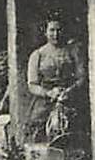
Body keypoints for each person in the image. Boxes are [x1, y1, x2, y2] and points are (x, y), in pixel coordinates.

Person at [25, 16, 86, 148]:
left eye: (59, 30)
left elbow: (81, 77)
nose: (55, 34)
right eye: (51, 30)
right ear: (45, 32)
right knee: (39, 130)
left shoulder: (73, 52)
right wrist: (49, 93)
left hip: (69, 97)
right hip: (45, 100)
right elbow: (32, 85)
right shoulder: (37, 55)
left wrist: (69, 91)